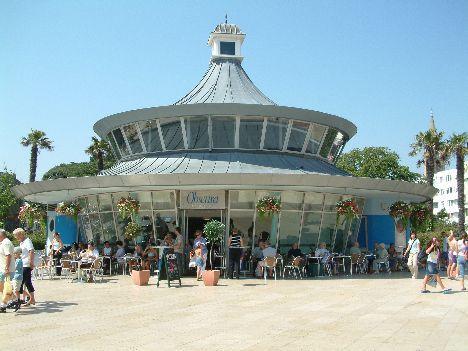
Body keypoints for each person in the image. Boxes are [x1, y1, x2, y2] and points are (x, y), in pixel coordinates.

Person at [13, 228, 36, 306]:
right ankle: (32, 299)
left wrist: (31, 262)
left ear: (21, 234)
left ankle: (19, 300)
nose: (15, 237)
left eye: (16, 235)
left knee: (20, 283)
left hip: (26, 264)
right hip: (24, 264)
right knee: (27, 282)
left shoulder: (27, 241)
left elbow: (31, 251)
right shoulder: (22, 242)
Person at [0, 229, 16, 313]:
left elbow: (8, 256)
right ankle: (14, 299)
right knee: (3, 288)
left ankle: (3, 305)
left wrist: (6, 268)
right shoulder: (3, 242)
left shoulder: (6, 243)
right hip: (3, 269)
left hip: (6, 270)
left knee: (6, 288)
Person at [6, 247, 23, 311]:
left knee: (15, 290)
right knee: (16, 290)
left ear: (18, 254)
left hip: (17, 277)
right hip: (16, 277)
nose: (14, 255)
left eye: (15, 254)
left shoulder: (18, 261)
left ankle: (16, 302)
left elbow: (14, 268)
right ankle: (17, 302)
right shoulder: (18, 260)